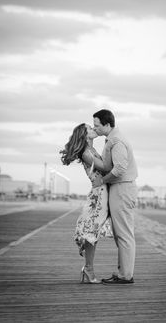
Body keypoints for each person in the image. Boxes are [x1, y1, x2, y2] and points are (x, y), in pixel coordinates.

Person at [60, 123, 112, 284]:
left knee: (93, 234)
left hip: (102, 193)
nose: (94, 129)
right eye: (90, 128)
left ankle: (89, 269)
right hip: (98, 197)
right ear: (84, 135)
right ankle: (89, 269)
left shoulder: (92, 150)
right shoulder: (85, 153)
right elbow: (105, 167)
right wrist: (110, 146)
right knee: (92, 233)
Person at [92, 109, 138, 285]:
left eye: (97, 125)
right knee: (120, 234)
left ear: (107, 124)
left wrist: (102, 180)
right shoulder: (112, 138)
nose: (95, 128)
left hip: (122, 189)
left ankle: (126, 275)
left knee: (124, 234)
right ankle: (123, 273)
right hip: (120, 189)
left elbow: (119, 169)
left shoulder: (117, 141)